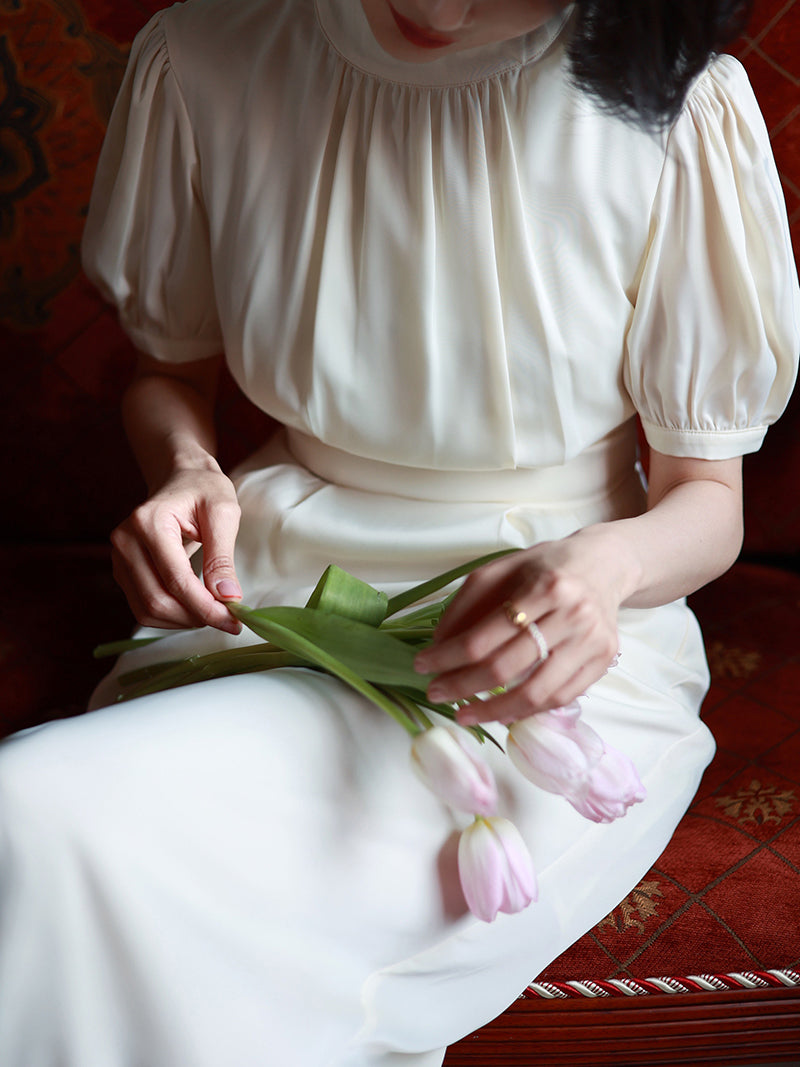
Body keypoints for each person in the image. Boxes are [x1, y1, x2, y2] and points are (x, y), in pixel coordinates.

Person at [0, 0, 798, 1063]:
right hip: (269, 594)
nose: (434, 9)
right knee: (35, 809)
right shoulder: (207, 53)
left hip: (542, 652)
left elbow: (706, 500)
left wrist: (602, 568)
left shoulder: (678, 104)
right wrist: (186, 472)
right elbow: (167, 375)